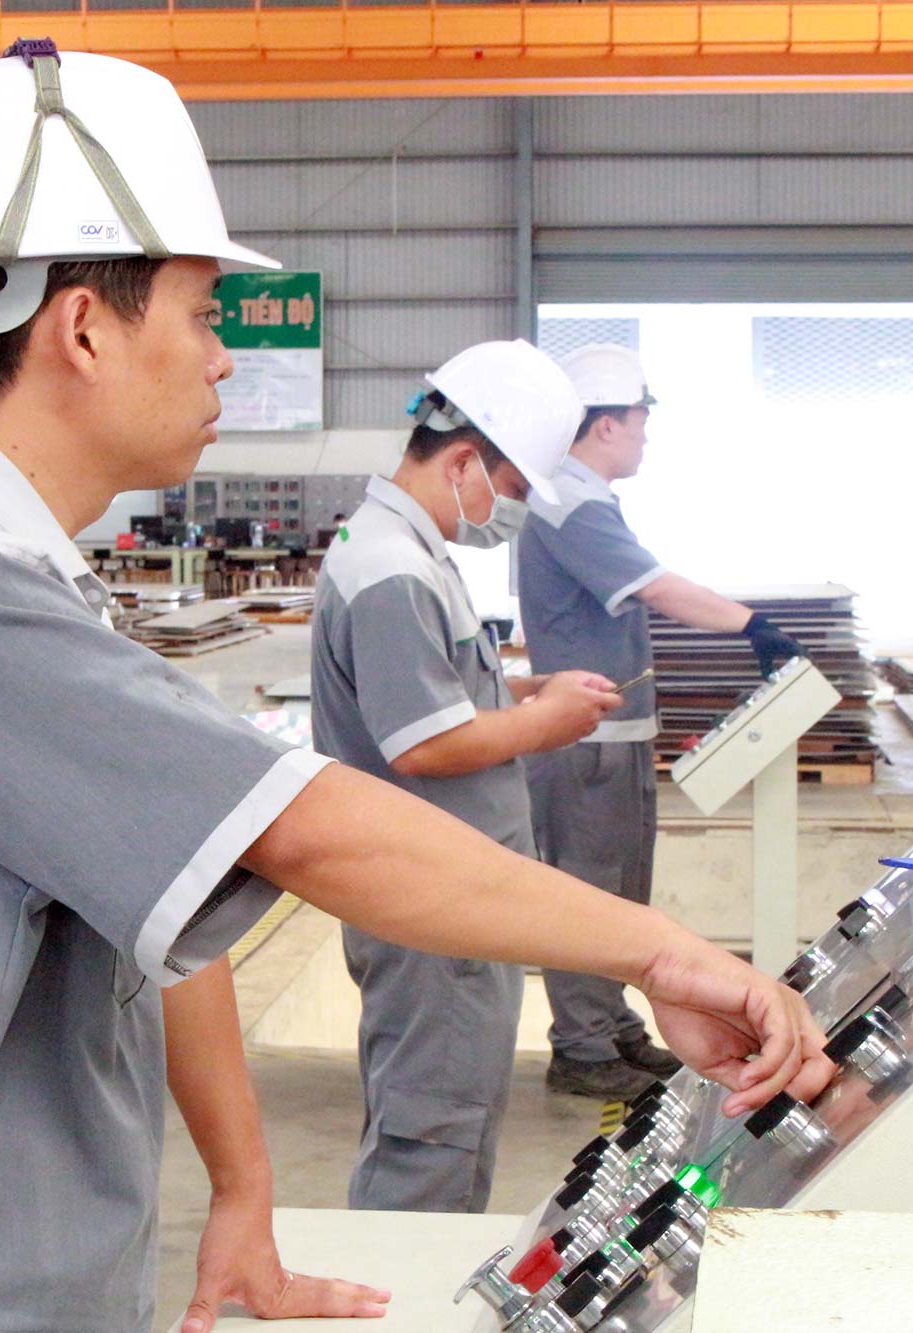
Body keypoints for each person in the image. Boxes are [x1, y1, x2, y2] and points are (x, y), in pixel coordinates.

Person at [0, 47, 832, 1333]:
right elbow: (310, 828)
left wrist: (243, 1191)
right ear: (83, 325)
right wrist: (667, 954)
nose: (218, 358)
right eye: (202, 315)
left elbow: (158, 883)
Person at [310, 339, 625, 1213]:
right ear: (462, 461)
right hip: (428, 903)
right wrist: (544, 721)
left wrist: (524, 688)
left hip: (454, 890)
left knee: (454, 1123)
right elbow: (423, 745)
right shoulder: (391, 571)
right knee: (431, 1135)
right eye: (515, 489)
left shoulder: (414, 553)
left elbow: (439, 692)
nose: (512, 510)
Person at [518, 343, 807, 1101]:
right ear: (606, 425)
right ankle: (581, 1045)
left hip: (614, 738)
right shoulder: (568, 504)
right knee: (586, 896)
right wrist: (754, 626)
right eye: (640, 421)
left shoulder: (585, 498)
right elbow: (659, 588)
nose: (646, 436)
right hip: (585, 744)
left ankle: (611, 1028)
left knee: (619, 897)